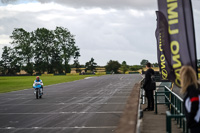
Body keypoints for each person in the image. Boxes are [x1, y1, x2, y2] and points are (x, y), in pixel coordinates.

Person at [180, 66, 200, 133]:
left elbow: (195, 104)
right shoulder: (196, 88)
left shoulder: (193, 90)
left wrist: (190, 121)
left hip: (196, 126)